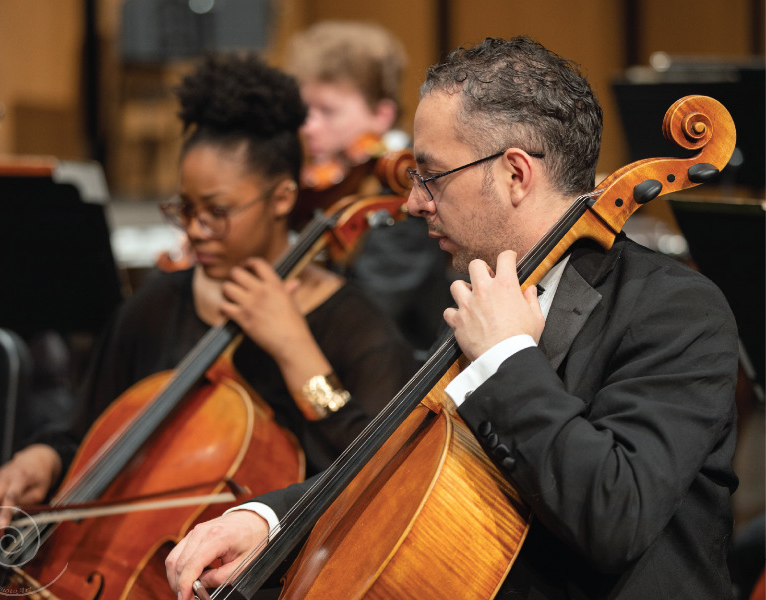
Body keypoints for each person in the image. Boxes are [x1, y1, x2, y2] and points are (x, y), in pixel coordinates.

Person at [164, 37, 739, 600]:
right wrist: (273, 519)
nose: (414, 202)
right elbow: (403, 459)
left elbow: (617, 516)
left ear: (515, 174)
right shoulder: (482, 291)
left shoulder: (676, 310)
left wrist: (506, 359)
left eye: (431, 175)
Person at [0, 54, 416, 533]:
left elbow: (382, 474)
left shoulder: (353, 324)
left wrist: (296, 351)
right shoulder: (158, 305)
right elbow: (84, 431)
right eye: (185, 208)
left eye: (217, 212)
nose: (196, 230)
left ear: (282, 198)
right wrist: (40, 460)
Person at [286, 21, 452, 354]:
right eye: (305, 110)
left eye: (327, 111)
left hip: (400, 366)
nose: (308, 127)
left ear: (381, 114)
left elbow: (374, 305)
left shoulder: (407, 188)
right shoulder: (340, 178)